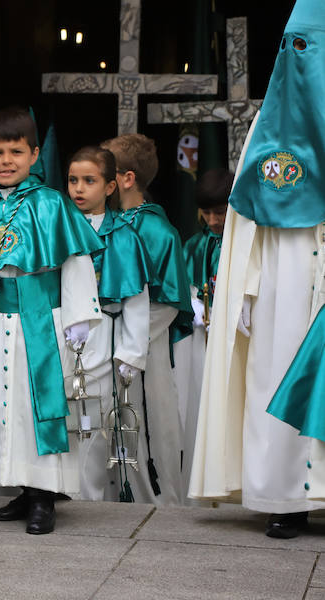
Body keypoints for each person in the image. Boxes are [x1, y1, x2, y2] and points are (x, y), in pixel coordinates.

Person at [192, 0, 325, 539]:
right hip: (283, 283)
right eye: (298, 50)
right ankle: (283, 499)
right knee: (276, 374)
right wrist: (244, 291)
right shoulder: (265, 135)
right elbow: (246, 224)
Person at [0, 107, 104, 533]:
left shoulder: (51, 204)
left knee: (35, 404)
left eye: (16, 152)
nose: (6, 161)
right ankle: (22, 487)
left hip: (42, 319)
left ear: (35, 154)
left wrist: (80, 318)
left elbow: (76, 262)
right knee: (3, 408)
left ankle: (44, 495)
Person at [101, 133, 192, 505]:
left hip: (143, 352)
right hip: (101, 341)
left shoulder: (158, 232)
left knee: (149, 419)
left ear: (125, 178)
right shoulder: (104, 223)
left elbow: (169, 302)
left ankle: (157, 499)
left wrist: (128, 338)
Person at [65, 146, 151, 502]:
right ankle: (58, 490)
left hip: (105, 336)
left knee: (94, 421)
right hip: (63, 335)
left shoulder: (125, 236)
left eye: (89, 180)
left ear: (111, 186)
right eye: (72, 180)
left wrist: (131, 352)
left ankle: (89, 495)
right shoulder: (59, 231)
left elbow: (136, 300)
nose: (79, 189)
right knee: (65, 417)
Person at [175, 168, 232, 497]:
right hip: (201, 342)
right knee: (199, 405)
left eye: (220, 212)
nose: (213, 219)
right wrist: (193, 302)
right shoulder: (196, 244)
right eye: (207, 212)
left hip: (232, 341)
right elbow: (184, 286)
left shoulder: (245, 244)